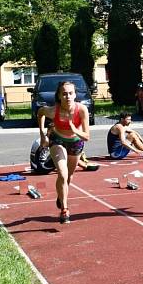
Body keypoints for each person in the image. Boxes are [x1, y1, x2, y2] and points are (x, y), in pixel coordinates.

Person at [37, 80, 91, 224]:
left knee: (69, 176)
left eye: (70, 93)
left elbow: (87, 136)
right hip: (58, 140)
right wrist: (43, 135)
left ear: (75, 95)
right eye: (64, 94)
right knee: (62, 173)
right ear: (59, 96)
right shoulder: (53, 110)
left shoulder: (81, 110)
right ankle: (65, 210)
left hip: (76, 142)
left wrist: (75, 130)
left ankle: (61, 196)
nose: (68, 96)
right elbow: (40, 112)